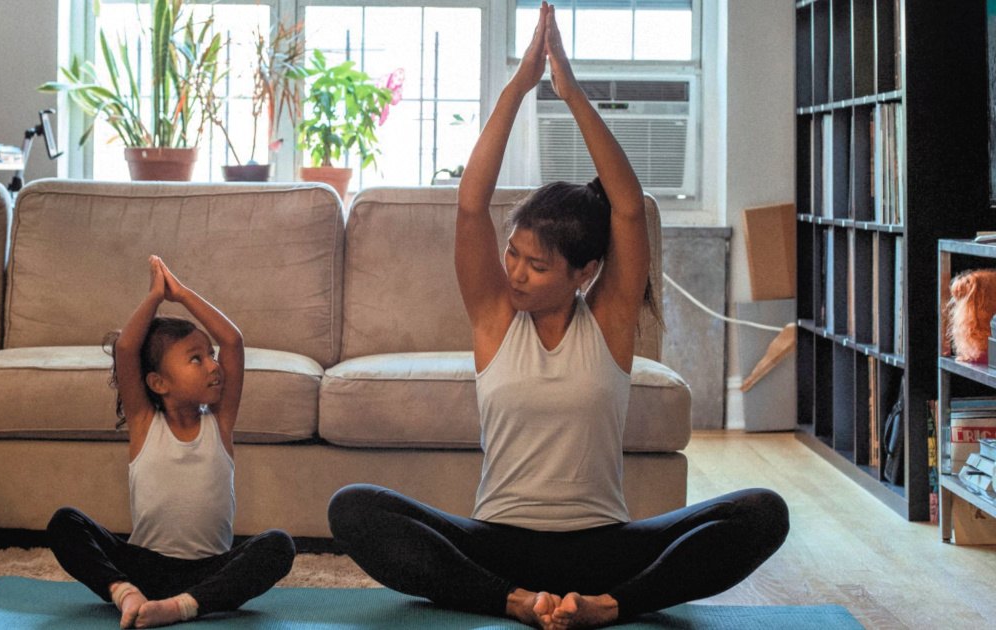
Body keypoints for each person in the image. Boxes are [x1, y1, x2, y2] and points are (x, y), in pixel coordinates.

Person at [326, 4, 789, 629]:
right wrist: (519, 88)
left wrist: (571, 93)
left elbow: (627, 210)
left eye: (535, 266)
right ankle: (514, 602)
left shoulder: (609, 321)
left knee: (764, 510)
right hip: (498, 545)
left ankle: (609, 608)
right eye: (511, 255)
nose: (514, 272)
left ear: (584, 272)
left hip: (603, 549)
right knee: (353, 508)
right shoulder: (494, 317)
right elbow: (470, 206)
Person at [47, 256, 295, 628]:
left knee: (279, 545)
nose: (213, 365)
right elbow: (126, 350)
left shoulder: (220, 423)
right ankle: (126, 595)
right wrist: (154, 298)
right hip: (144, 567)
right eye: (196, 359)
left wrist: (181, 294)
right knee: (64, 523)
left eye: (210, 355)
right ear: (158, 383)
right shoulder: (145, 423)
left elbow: (233, 341)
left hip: (212, 571)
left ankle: (182, 607)